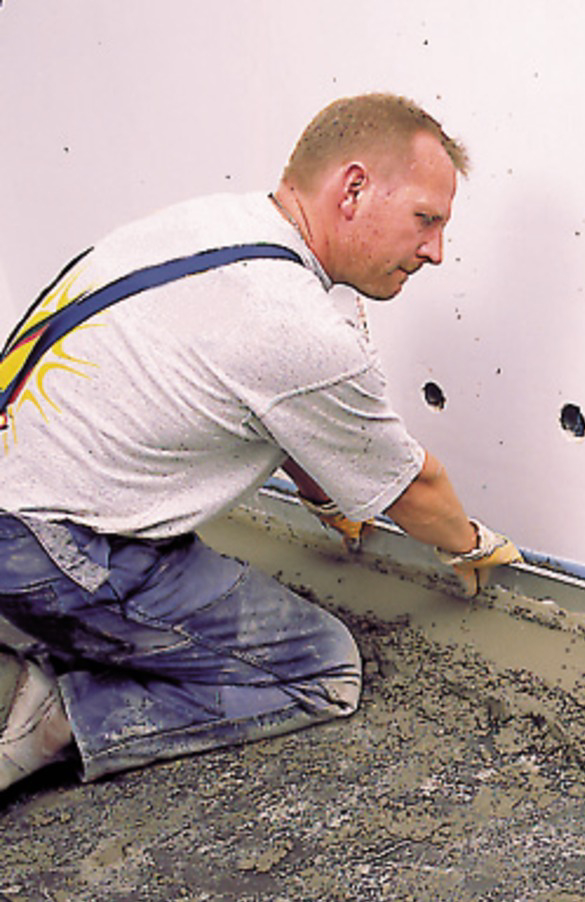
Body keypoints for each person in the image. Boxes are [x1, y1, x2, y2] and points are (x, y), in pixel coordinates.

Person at [0, 92, 518, 796]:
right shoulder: (296, 326)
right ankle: (53, 717)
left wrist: (327, 496)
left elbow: (280, 410)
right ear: (353, 190)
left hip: (29, 496)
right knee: (322, 669)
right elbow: (416, 489)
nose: (436, 251)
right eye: (425, 220)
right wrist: (474, 547)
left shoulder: (210, 227)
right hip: (48, 548)